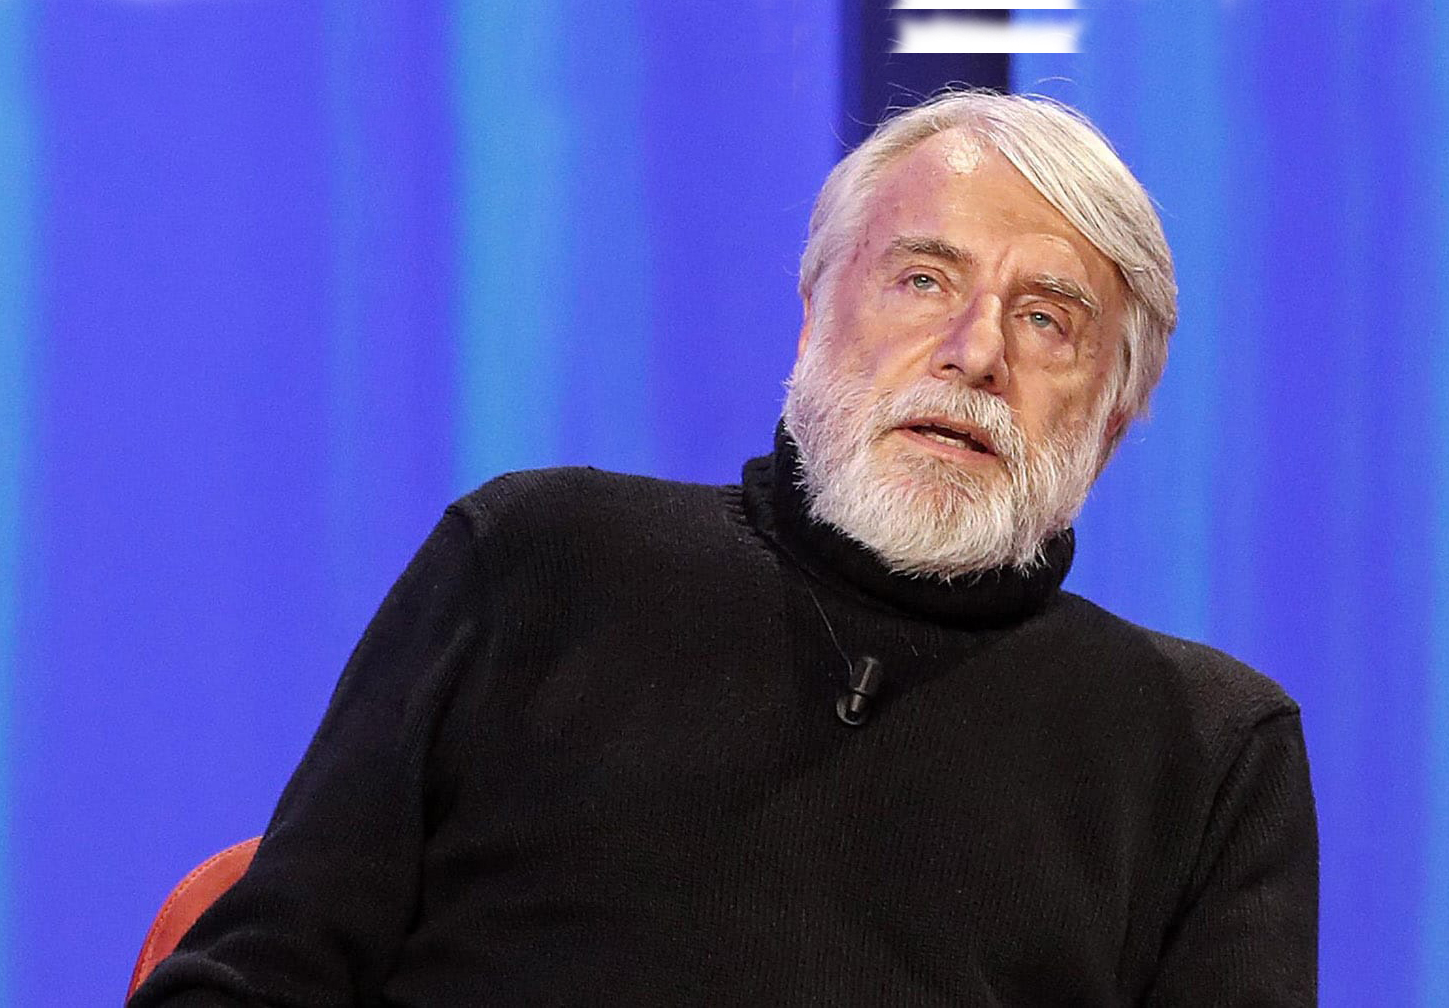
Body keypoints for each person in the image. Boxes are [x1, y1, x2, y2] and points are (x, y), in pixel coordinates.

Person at [131, 92, 1318, 1006]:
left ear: (1113, 415)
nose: (973, 351)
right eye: (921, 279)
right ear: (811, 319)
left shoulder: (1205, 749)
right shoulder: (537, 561)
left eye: (1046, 319)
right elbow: (254, 977)